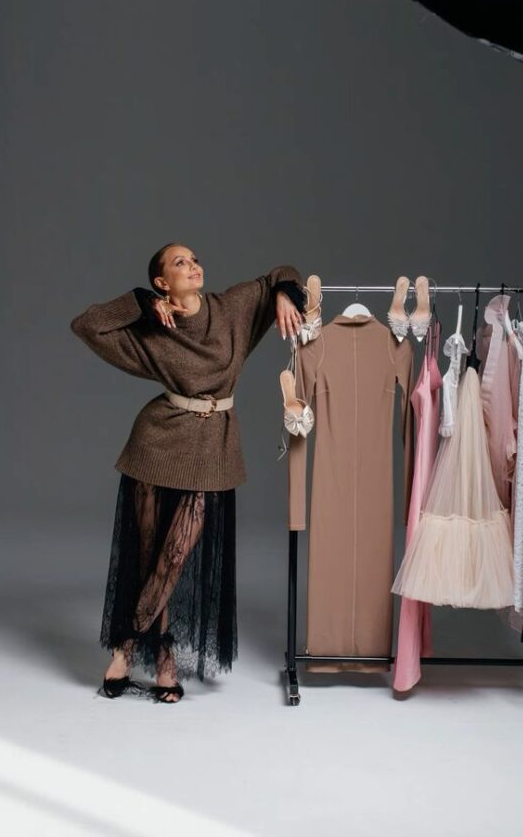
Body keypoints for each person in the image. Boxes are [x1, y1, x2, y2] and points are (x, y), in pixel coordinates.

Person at [70, 244, 307, 702]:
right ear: (162, 283)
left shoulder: (231, 308)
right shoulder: (152, 328)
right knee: (149, 555)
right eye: (180, 263)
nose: (193, 265)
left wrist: (283, 292)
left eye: (195, 258)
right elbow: (87, 325)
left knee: (173, 557)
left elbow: (284, 268)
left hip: (211, 446)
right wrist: (140, 301)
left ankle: (125, 646)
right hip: (156, 443)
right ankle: (163, 660)